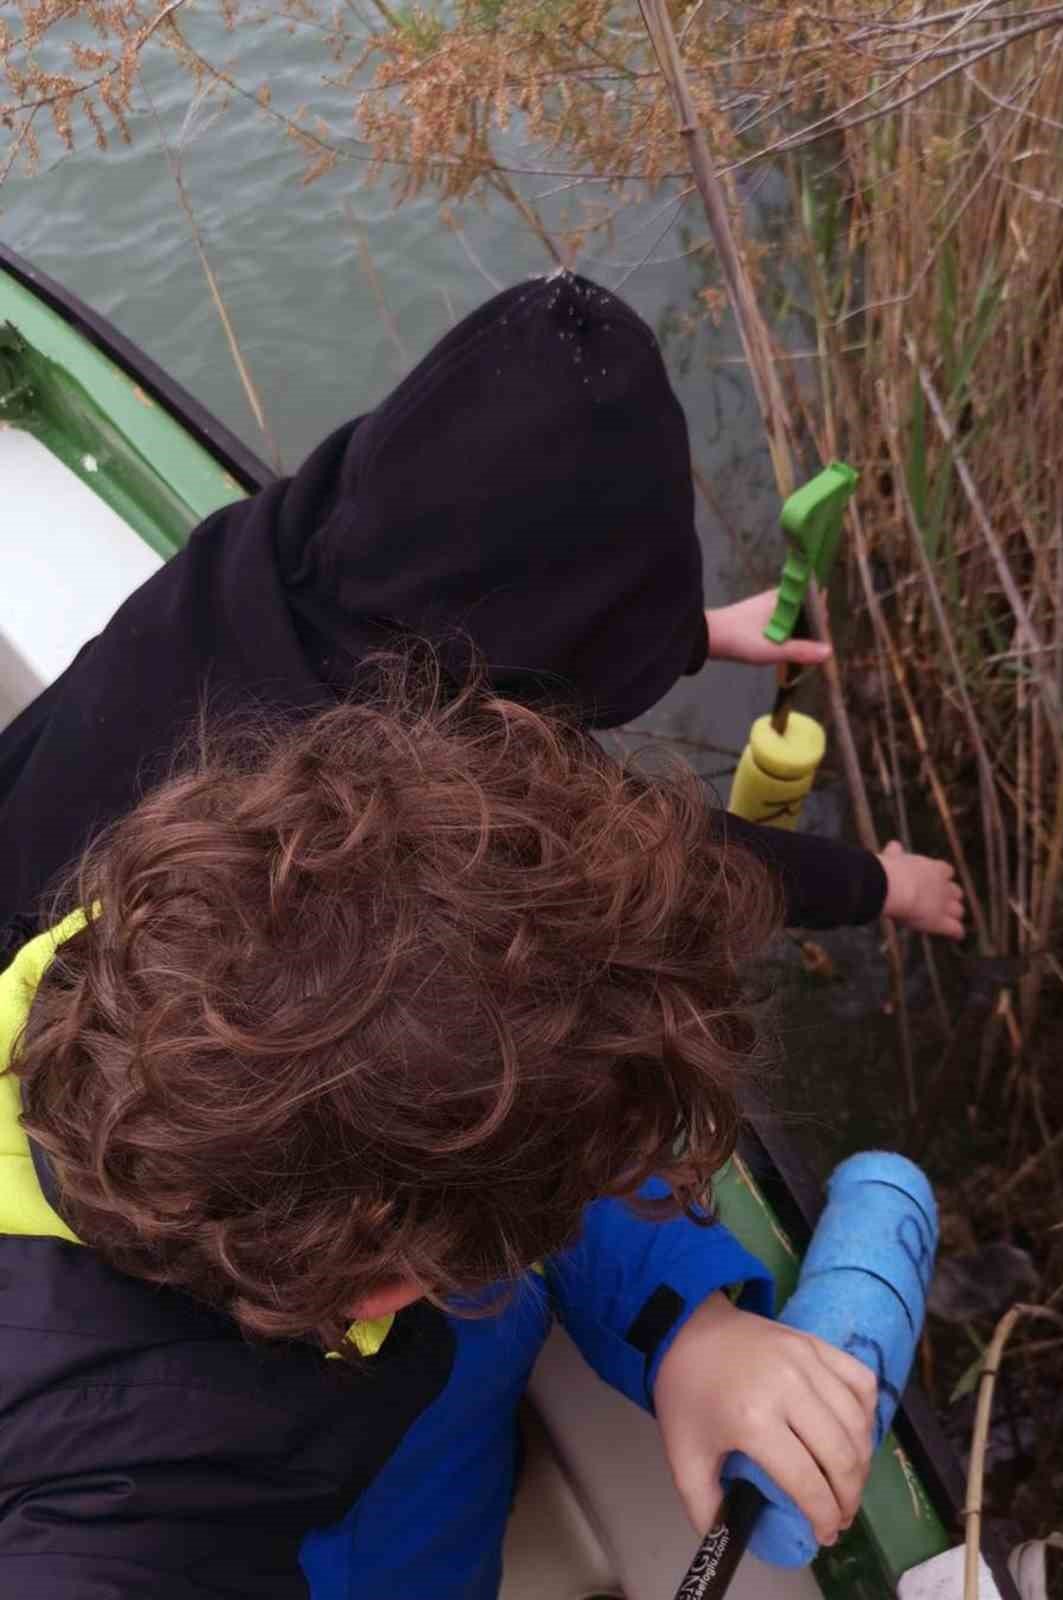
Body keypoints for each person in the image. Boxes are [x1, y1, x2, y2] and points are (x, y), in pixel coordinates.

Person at [0, 671, 878, 1597]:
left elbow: (539, 1109)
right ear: (392, 1278)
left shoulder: (161, 972)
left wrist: (692, 1327)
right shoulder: (105, 1535)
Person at [0, 270, 964, 968]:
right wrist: (886, 887)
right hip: (66, 1054)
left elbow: (472, 595)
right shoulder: (422, 784)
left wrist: (694, 637)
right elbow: (687, 860)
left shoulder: (255, 551)